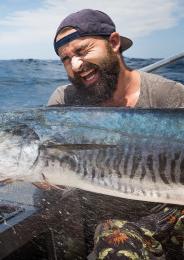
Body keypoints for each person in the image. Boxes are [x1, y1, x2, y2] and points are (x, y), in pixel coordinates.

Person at [48, 9, 184, 259]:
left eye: (82, 50)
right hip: (115, 224)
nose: (76, 65)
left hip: (173, 210)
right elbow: (47, 164)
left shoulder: (171, 96)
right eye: (66, 59)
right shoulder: (63, 102)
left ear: (114, 43)